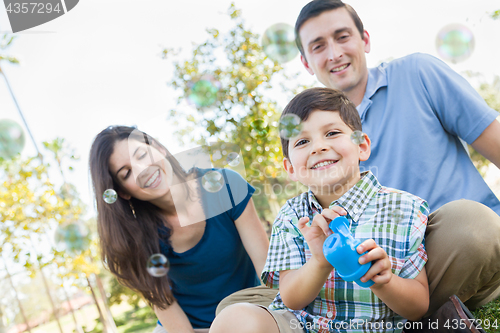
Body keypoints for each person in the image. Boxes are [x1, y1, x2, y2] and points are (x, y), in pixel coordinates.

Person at [293, 0, 500, 314]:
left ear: (365, 40)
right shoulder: (315, 140)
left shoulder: (418, 72)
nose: (334, 53)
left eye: (342, 36)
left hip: (455, 245)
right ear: (307, 62)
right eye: (318, 46)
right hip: (384, 270)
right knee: (240, 305)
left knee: (474, 226)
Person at [211, 87, 430, 333]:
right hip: (302, 327)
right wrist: (319, 262)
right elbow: (291, 298)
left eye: (332, 133)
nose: (318, 147)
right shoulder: (293, 215)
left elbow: (419, 305)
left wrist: (384, 281)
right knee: (234, 320)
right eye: (303, 141)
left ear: (362, 146)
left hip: (375, 327)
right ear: (290, 168)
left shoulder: (405, 207)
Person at [88, 126, 269, 333]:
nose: (142, 170)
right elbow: (167, 308)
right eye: (127, 173)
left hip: (246, 313)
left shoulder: (225, 186)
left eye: (142, 155)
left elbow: (267, 271)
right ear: (123, 192)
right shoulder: (135, 238)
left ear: (158, 148)